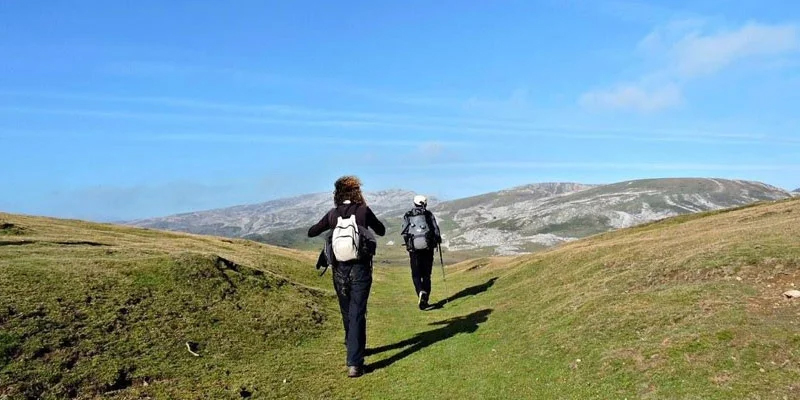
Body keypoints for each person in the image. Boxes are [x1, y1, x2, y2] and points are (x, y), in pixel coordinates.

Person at [308, 176, 385, 378]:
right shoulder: (363, 211)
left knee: (346, 310)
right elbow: (381, 230)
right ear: (357, 192)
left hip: (339, 270)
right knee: (358, 311)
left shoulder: (333, 214)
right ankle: (355, 362)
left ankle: (352, 348)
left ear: (337, 194)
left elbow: (312, 231)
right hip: (360, 268)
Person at [401, 195, 442, 310]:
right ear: (425, 203)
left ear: (414, 203)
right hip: (428, 248)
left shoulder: (408, 215)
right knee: (427, 274)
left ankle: (420, 291)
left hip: (414, 249)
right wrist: (437, 240)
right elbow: (435, 230)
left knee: (416, 274)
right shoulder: (428, 214)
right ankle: (425, 297)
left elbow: (404, 231)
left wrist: (409, 244)